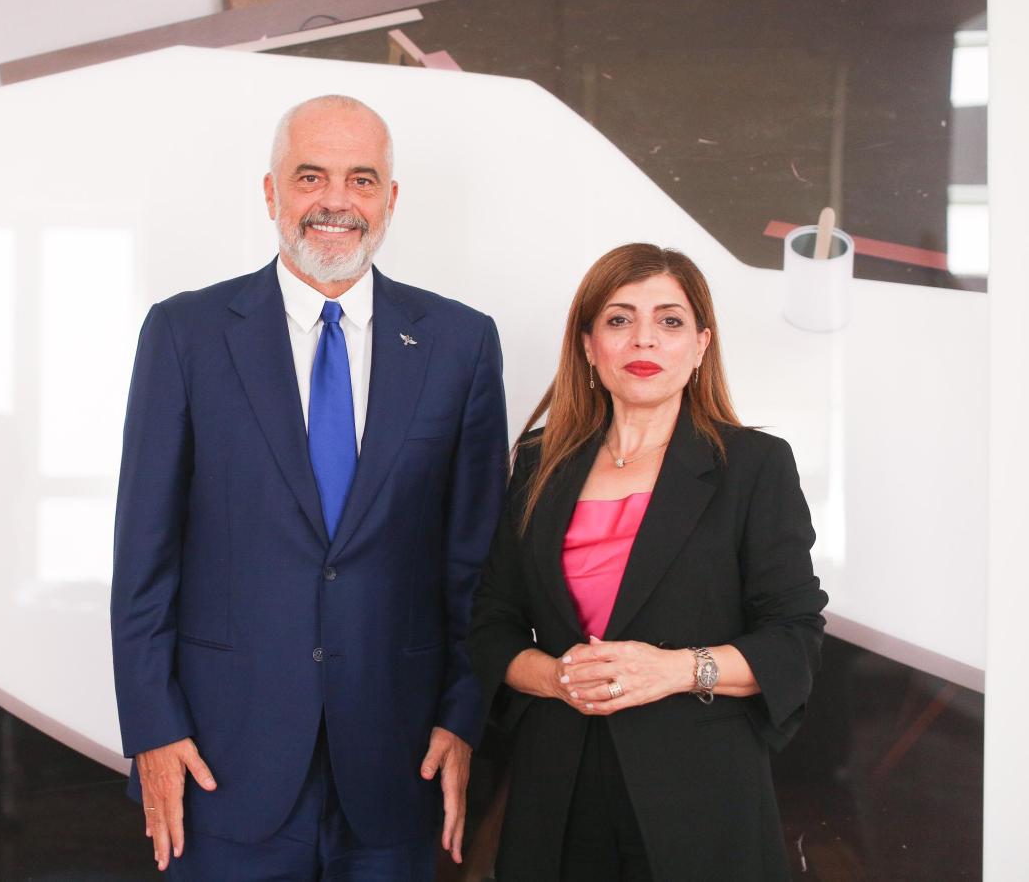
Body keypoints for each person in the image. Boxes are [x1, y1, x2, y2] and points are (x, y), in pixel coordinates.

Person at [110, 94, 509, 879]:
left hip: (401, 761)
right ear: (271, 192)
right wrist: (152, 727)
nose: (336, 201)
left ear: (390, 199)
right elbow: (144, 557)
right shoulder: (186, 334)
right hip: (218, 765)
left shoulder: (460, 343)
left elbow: (477, 563)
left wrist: (465, 716)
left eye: (362, 179)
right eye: (310, 176)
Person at [468, 243, 827, 881]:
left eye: (669, 321)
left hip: (702, 798)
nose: (644, 339)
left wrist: (673, 670)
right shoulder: (538, 464)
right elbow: (491, 626)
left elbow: (793, 639)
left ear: (701, 344)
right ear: (588, 345)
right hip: (556, 791)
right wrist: (556, 678)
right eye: (619, 319)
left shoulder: (754, 467)